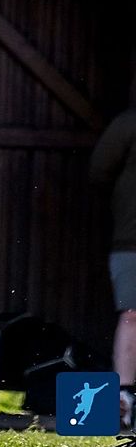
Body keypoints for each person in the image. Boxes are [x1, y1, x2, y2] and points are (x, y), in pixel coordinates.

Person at [89, 107, 136, 429]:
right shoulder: (129, 123)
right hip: (132, 240)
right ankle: (123, 396)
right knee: (132, 314)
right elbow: (100, 171)